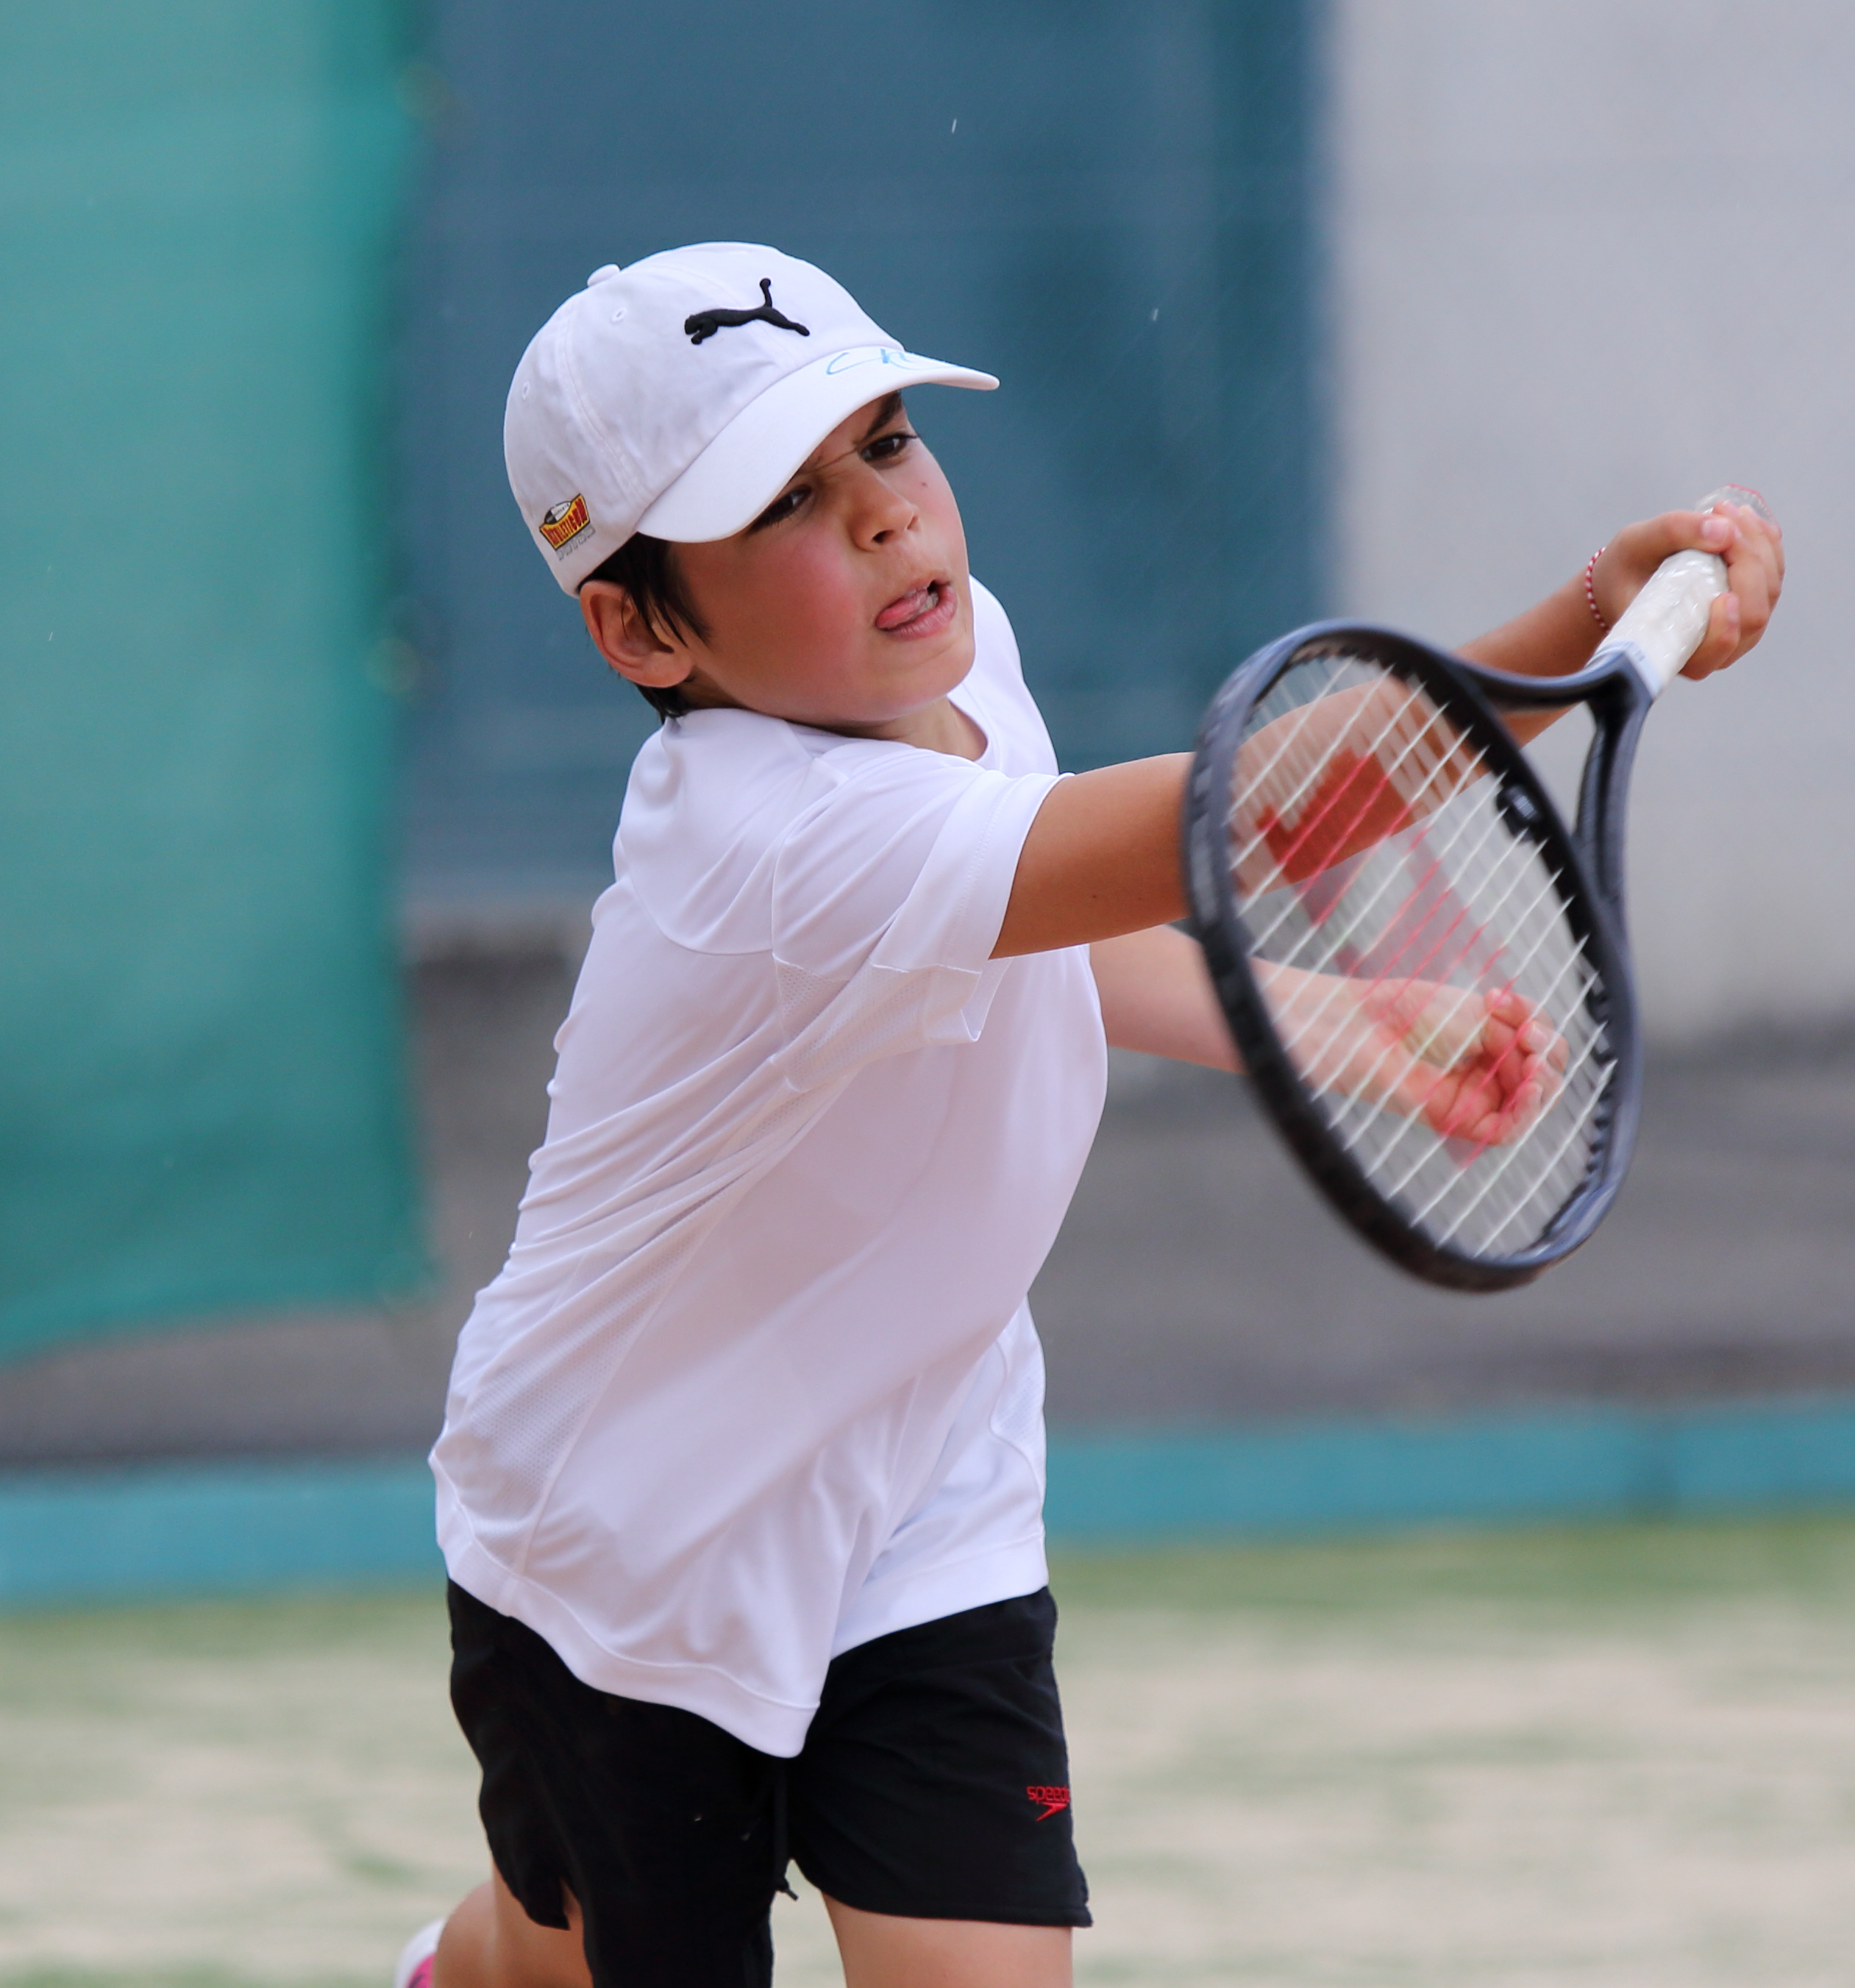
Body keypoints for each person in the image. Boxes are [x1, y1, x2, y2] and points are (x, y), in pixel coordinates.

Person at [399, 243, 1783, 1988]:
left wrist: (1331, 1019)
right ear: (640, 627)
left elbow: (1025, 920)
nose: (887, 517)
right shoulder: (768, 844)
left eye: (886, 441)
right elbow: (1264, 813)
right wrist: (1586, 611)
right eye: (788, 502)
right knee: (570, 1960)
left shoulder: (953, 669)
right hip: (636, 1533)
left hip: (925, 1463)